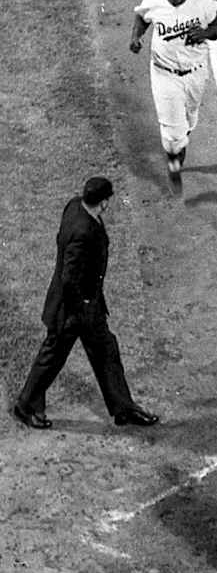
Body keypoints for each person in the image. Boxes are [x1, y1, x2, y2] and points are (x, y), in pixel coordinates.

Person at [13, 177, 159, 429]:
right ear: (103, 203)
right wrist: (85, 305)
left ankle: (123, 409)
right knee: (52, 357)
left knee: (106, 351)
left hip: (82, 307)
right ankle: (24, 406)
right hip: (73, 310)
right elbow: (69, 276)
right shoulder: (83, 232)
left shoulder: (74, 206)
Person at [129, 0, 217, 184]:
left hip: (196, 72)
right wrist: (135, 38)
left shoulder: (201, 3)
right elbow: (141, 18)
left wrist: (204, 33)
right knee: (173, 134)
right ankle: (174, 162)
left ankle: (181, 139)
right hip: (165, 74)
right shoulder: (153, 1)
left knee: (190, 117)